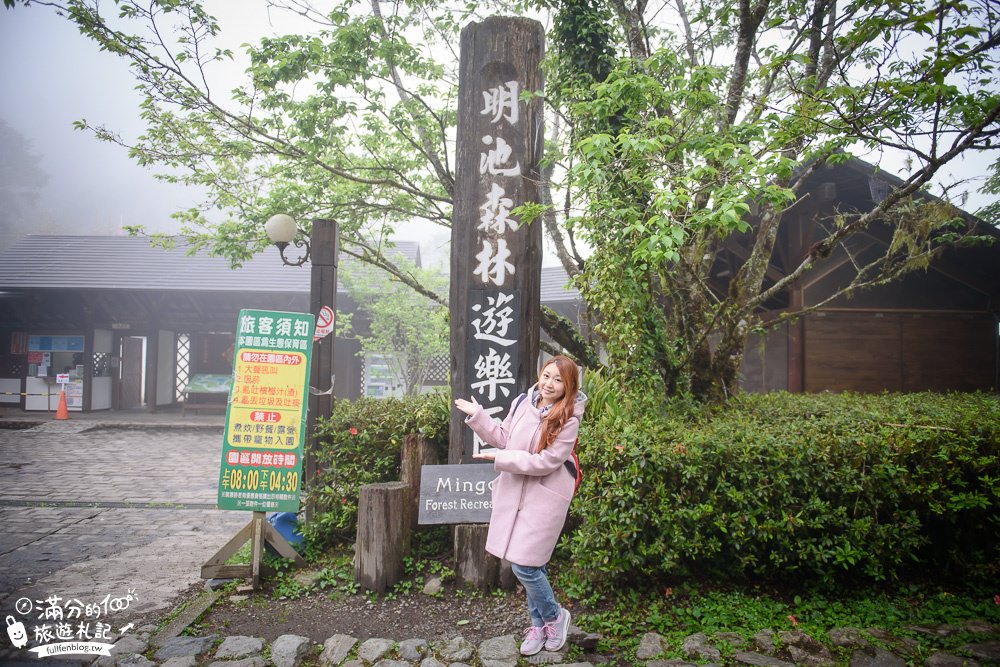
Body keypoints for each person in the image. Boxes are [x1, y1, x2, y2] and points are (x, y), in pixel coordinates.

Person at [454, 355, 587, 656]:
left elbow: (546, 462)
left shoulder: (569, 419)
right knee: (529, 562)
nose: (549, 384)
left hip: (544, 497)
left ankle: (554, 616)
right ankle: (538, 626)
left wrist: (500, 459)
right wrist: (479, 416)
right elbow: (504, 437)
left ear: (569, 387)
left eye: (558, 380)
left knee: (524, 565)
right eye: (547, 375)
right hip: (515, 493)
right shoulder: (522, 404)